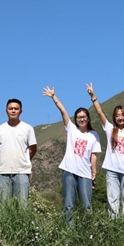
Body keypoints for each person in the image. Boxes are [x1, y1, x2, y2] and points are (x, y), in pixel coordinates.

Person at [42, 86, 101, 225]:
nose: (81, 119)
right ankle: (70, 231)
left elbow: (93, 155)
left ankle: (88, 231)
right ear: (75, 119)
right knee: (68, 204)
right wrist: (54, 97)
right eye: (79, 117)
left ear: (88, 118)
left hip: (85, 174)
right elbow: (63, 111)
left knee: (87, 205)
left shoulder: (94, 135)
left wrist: (94, 172)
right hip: (69, 171)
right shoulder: (71, 129)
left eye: (84, 117)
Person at [86, 82, 124, 218]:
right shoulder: (110, 129)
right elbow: (99, 113)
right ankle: (113, 225)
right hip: (112, 171)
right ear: (114, 117)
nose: (120, 117)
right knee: (112, 200)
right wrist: (93, 96)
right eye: (117, 115)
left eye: (122, 115)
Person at [0, 98, 37, 206]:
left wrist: (23, 159)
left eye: (16, 109)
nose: (13, 111)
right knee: (4, 205)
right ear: (6, 111)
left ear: (21, 111)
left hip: (22, 172)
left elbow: (33, 149)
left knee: (22, 205)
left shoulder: (28, 128)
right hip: (3, 172)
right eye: (10, 108)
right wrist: (4, 159)